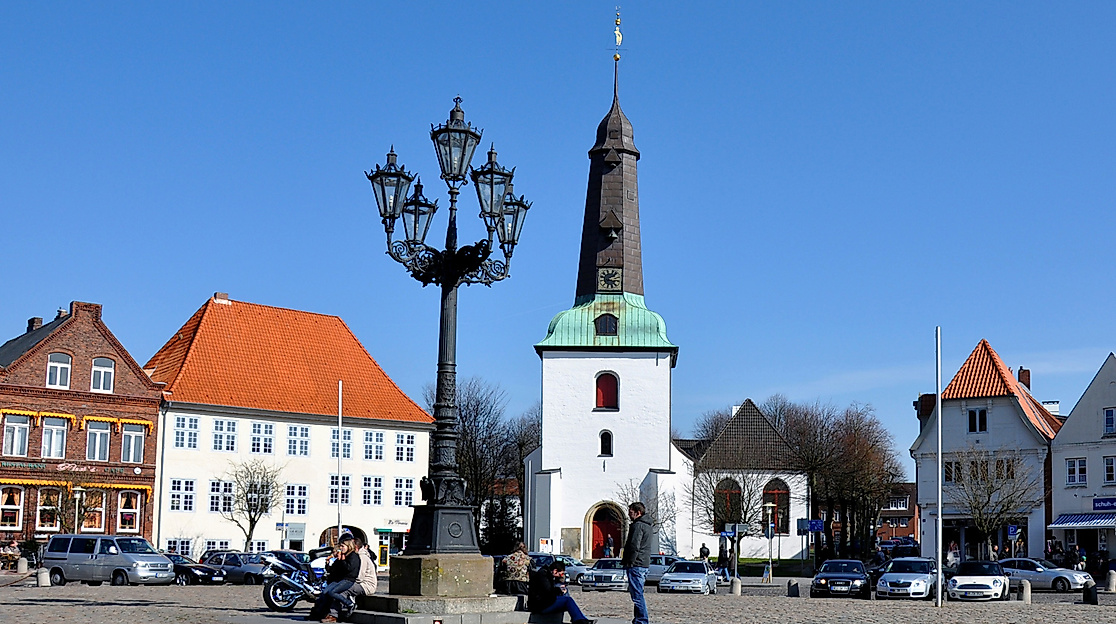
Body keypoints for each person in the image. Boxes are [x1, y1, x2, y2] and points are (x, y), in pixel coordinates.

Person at [307, 535, 360, 622]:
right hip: (339, 579)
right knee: (324, 592)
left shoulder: (353, 556)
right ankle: (318, 613)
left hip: (349, 579)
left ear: (348, 546)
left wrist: (342, 560)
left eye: (343, 546)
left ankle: (349, 604)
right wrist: (328, 563)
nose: (341, 548)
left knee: (332, 592)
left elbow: (349, 569)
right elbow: (334, 569)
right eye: (340, 546)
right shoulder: (343, 556)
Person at [528, 561, 594, 624]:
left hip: (544, 602)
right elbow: (548, 591)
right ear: (555, 571)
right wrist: (559, 590)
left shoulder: (548, 575)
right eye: (561, 574)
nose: (561, 575)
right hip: (540, 605)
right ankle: (579, 620)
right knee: (568, 600)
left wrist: (560, 582)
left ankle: (580, 619)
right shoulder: (543, 575)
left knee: (567, 597)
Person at [622, 502, 653, 624]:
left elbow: (634, 545)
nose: (629, 515)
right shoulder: (648, 525)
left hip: (636, 564)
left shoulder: (638, 526)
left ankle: (641, 620)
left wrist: (630, 561)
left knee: (637, 595)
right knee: (638, 593)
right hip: (643, 563)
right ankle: (639, 619)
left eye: (630, 512)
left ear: (638, 512)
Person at [336, 537, 378, 620]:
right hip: (361, 583)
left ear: (355, 547)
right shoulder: (356, 556)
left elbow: (360, 577)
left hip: (366, 585)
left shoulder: (362, 557)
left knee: (341, 590)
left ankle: (339, 611)